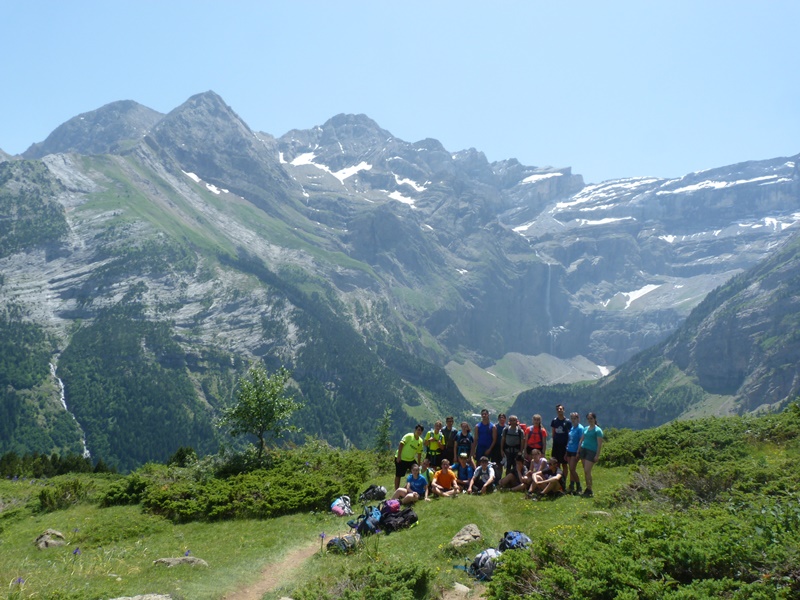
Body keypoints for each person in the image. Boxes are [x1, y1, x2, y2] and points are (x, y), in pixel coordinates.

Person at [579, 412, 604, 498]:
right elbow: (582, 439)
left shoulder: (598, 430)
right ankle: (587, 488)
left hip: (591, 451)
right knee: (586, 471)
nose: (590, 420)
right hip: (583, 450)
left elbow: (599, 444)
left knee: (587, 470)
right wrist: (579, 449)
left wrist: (597, 455)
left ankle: (590, 488)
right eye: (588, 419)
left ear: (594, 419)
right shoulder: (585, 428)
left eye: (591, 418)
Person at [394, 424, 424, 490]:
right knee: (398, 475)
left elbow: (419, 453)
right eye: (418, 430)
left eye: (421, 430)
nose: (419, 432)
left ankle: (406, 488)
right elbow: (401, 444)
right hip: (401, 459)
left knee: (416, 472)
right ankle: (396, 490)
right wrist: (399, 456)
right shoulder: (409, 436)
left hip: (411, 460)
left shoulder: (420, 441)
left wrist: (419, 464)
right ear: (415, 430)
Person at [565, 412, 585, 495]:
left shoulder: (580, 428)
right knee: (571, 469)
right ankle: (571, 486)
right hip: (569, 450)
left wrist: (578, 452)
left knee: (572, 469)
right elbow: (569, 440)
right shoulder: (572, 427)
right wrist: (566, 451)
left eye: (575, 418)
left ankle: (579, 486)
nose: (573, 420)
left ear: (578, 419)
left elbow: (581, 440)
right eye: (572, 418)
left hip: (575, 451)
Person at [550, 405, 572, 474]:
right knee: (556, 463)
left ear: (563, 410)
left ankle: (564, 480)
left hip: (564, 446)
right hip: (556, 445)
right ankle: (559, 479)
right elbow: (553, 432)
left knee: (564, 464)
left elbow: (569, 434)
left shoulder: (568, 422)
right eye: (558, 409)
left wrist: (568, 445)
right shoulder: (554, 421)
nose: (559, 410)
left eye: (561, 409)